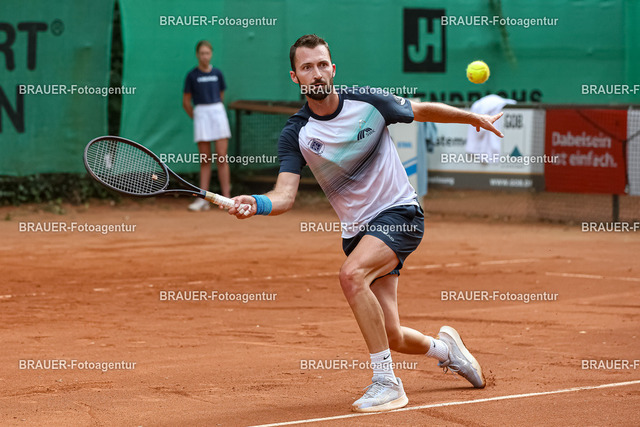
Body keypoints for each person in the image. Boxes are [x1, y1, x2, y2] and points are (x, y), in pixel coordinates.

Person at [228, 34, 504, 413]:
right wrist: (256, 203)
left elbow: (421, 110)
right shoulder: (297, 133)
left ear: (333, 69)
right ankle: (447, 351)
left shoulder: (368, 102)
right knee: (392, 334)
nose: (316, 73)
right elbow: (285, 196)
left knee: (351, 275)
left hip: (400, 215)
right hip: (358, 233)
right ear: (295, 77)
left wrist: (472, 117)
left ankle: (387, 382)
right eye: (307, 67)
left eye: (322, 64)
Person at [183, 40, 231, 211]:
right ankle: (203, 199)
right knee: (205, 159)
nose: (205, 56)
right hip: (201, 115)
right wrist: (197, 117)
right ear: (197, 55)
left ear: (211, 54)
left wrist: (214, 111)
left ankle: (227, 199)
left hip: (217, 113)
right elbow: (186, 102)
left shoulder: (217, 73)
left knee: (222, 157)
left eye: (207, 53)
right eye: (202, 53)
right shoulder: (192, 76)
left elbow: (221, 95)